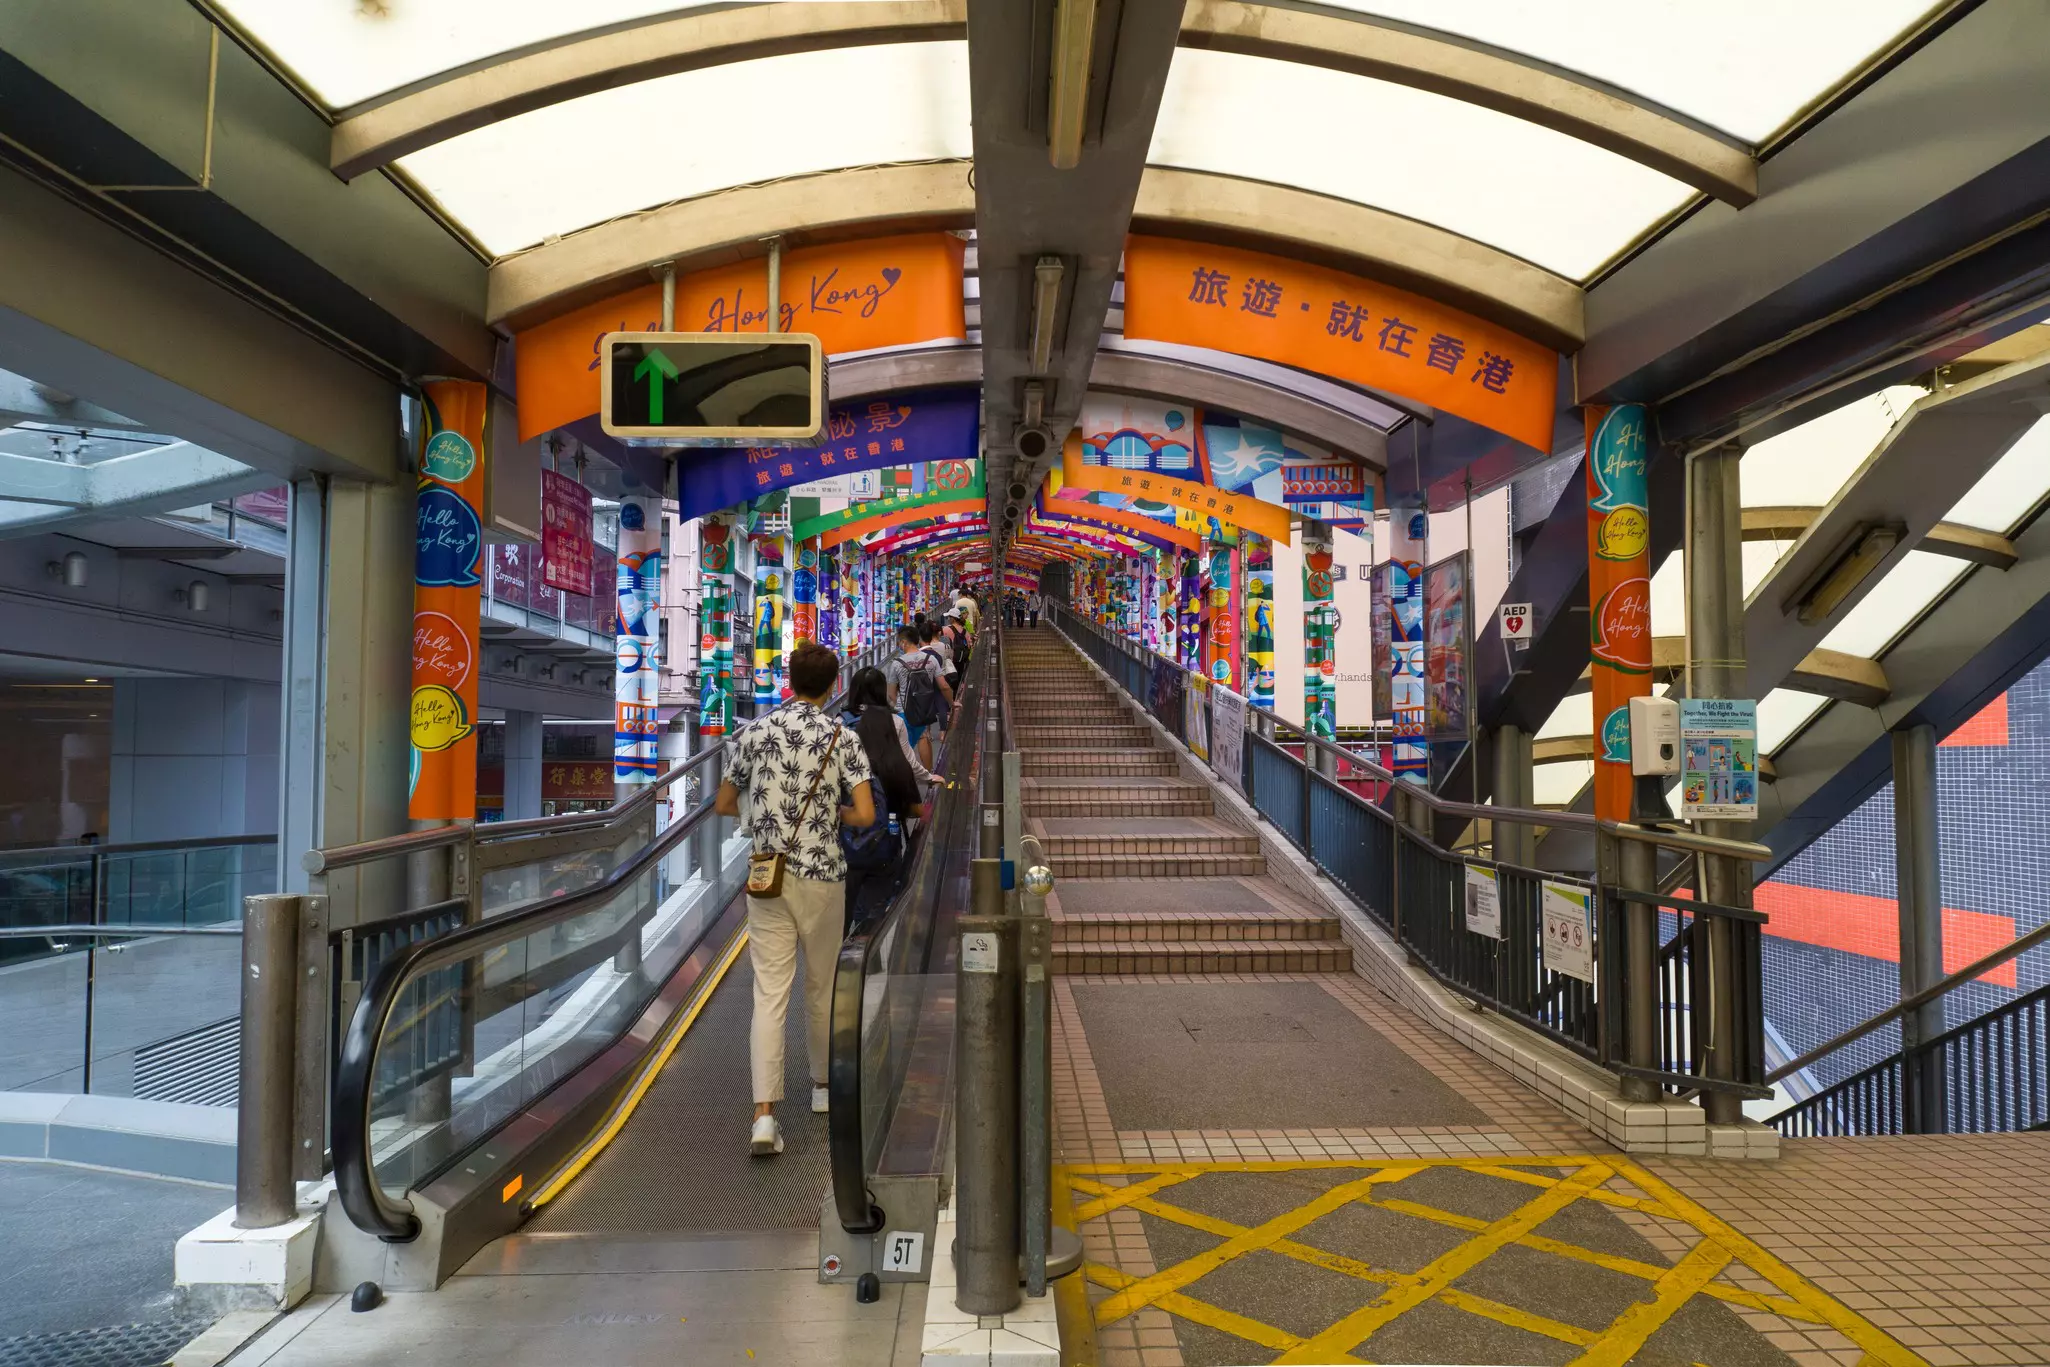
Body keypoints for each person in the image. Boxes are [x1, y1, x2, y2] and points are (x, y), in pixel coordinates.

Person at [715, 641, 876, 1157]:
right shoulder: (842, 737)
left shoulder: (752, 733)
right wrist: (834, 817)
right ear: (833, 685)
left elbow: (722, 803)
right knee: (822, 986)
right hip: (824, 876)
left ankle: (764, 1116)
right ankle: (824, 1087)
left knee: (770, 993)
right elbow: (866, 815)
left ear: (789, 677)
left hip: (769, 879)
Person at [839, 667, 932, 929]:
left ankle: (842, 955)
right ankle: (870, 949)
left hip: (847, 827)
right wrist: (929, 778)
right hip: (887, 820)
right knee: (878, 906)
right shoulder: (895, 722)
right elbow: (907, 763)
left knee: (841, 909)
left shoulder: (839, 723)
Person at [886, 624, 952, 765]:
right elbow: (944, 686)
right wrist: (952, 703)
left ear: (903, 642)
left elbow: (891, 694)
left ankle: (905, 777)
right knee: (923, 737)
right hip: (924, 708)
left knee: (902, 745)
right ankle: (928, 776)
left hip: (904, 711)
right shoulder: (931, 659)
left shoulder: (897, 664)